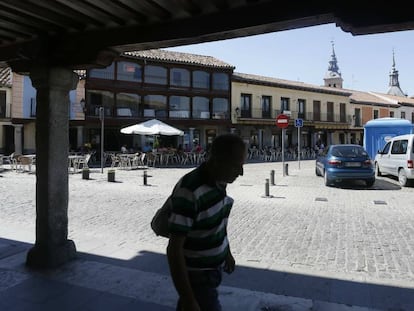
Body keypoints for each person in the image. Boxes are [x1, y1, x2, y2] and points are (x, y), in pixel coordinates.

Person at [166, 134, 246, 311]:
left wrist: (226, 252)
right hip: (197, 277)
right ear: (218, 161)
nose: (241, 172)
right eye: (236, 165)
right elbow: (174, 249)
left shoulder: (219, 182)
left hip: (211, 272)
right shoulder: (190, 191)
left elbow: (218, 220)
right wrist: (187, 297)